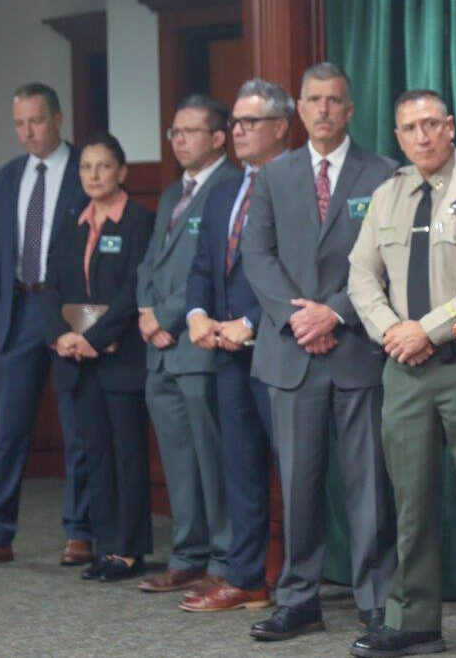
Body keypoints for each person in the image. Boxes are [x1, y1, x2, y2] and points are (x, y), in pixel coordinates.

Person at [241, 61, 398, 641]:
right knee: (299, 487)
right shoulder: (272, 176)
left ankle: (376, 600)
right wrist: (299, 317)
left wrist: (334, 312)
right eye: (314, 100)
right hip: (292, 354)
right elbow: (257, 255)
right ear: (299, 111)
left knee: (369, 489)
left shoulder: (384, 174)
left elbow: (389, 260)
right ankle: (299, 600)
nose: (324, 109)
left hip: (357, 349)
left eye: (334, 100)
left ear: (349, 110)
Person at [348, 90, 456, 657]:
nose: (422, 136)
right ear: (398, 136)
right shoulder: (387, 194)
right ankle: (415, 622)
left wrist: (427, 330)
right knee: (410, 503)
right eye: (410, 128)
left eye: (432, 124)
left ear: (450, 126)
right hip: (403, 371)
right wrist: (393, 331)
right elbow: (362, 275)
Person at [0, 83, 92, 569]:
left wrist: (90, 322)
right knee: (8, 430)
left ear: (57, 119)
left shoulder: (84, 169)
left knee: (77, 426)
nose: (28, 132)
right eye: (19, 123)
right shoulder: (8, 176)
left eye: (36, 121)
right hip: (16, 311)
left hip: (67, 313)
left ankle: (80, 532)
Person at [180, 78, 294, 613]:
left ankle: (300, 583)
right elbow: (204, 265)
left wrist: (251, 321)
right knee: (241, 468)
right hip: (226, 354)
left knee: (295, 472)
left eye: (251, 122)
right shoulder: (225, 189)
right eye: (235, 122)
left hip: (281, 350)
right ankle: (247, 577)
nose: (238, 131)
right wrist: (197, 315)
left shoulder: (298, 183)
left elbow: (298, 272)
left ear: (281, 127)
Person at [135, 94, 241, 594]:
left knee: (212, 460)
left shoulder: (230, 186)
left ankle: (223, 559)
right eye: (173, 132)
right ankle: (187, 554)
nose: (178, 140)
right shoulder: (171, 193)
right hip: (159, 351)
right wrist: (144, 311)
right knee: (178, 460)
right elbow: (149, 263)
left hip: (198, 347)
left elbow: (213, 270)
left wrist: (166, 317)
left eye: (189, 131)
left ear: (218, 138)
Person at [43, 132, 155, 581]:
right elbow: (51, 287)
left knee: (127, 454)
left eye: (103, 166)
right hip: (78, 360)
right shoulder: (73, 222)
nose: (93, 175)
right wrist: (61, 337)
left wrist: (95, 337)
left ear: (122, 172)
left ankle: (129, 550)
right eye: (86, 167)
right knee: (96, 455)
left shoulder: (140, 223)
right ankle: (107, 547)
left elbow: (135, 290)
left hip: (121, 357)